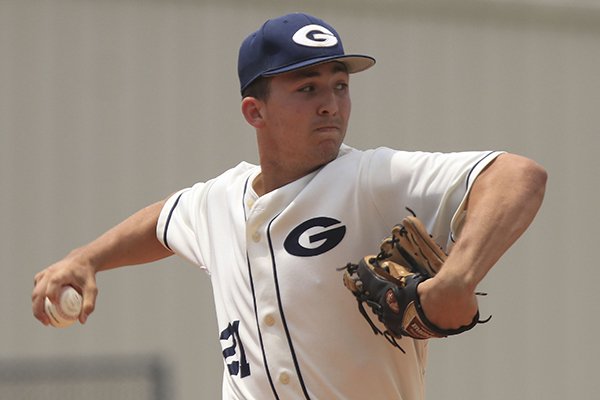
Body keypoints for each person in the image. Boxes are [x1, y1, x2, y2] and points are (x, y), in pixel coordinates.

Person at [32, 12, 547, 400]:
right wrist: (87, 258)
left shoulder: (370, 177)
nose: (331, 102)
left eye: (340, 85)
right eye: (307, 88)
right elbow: (165, 221)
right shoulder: (219, 200)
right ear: (254, 111)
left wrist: (457, 277)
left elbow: (517, 175)